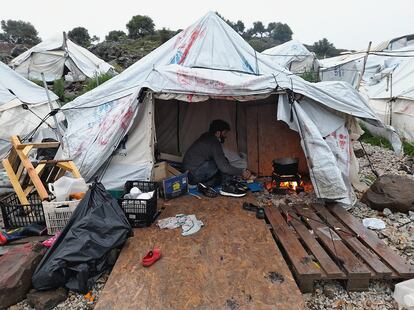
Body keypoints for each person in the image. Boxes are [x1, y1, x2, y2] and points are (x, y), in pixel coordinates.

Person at [183, 119, 251, 197]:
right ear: (218, 133)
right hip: (193, 175)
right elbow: (224, 167)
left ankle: (202, 186)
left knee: (219, 175)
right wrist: (241, 172)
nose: (225, 137)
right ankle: (227, 187)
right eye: (225, 133)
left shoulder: (206, 137)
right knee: (221, 163)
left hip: (189, 175)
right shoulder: (213, 142)